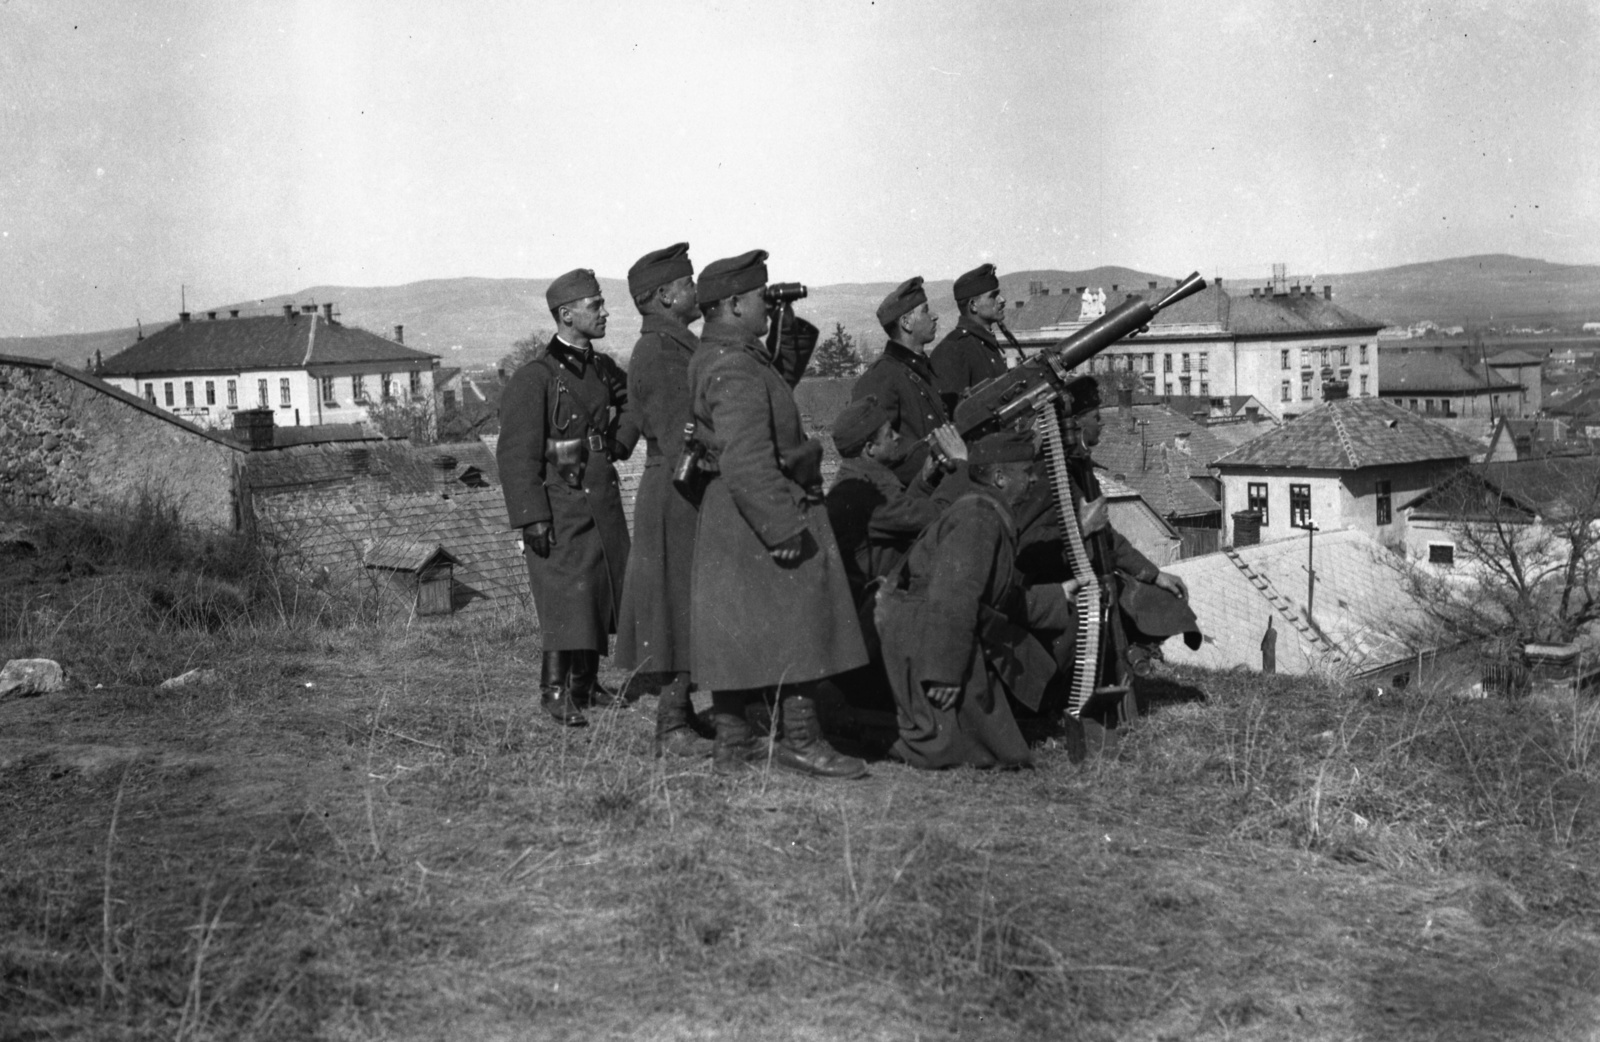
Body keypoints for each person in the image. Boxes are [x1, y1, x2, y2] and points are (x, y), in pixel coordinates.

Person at [686, 249, 869, 778]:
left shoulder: (728, 355)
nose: (768, 307)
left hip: (737, 511)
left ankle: (734, 745)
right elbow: (746, 459)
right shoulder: (735, 367)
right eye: (760, 299)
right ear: (735, 304)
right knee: (800, 623)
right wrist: (782, 525)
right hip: (761, 507)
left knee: (740, 631)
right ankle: (802, 742)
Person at [875, 431, 1081, 769]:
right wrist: (944, 673)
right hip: (925, 636)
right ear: (999, 478)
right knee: (948, 747)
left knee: (987, 742)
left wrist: (1058, 594)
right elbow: (952, 600)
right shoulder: (979, 518)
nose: (1033, 480)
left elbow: (997, 596)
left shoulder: (989, 511)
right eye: (1027, 471)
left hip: (935, 629)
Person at [498, 268, 634, 727]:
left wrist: (619, 441)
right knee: (564, 595)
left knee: (598, 589)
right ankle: (554, 690)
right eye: (596, 305)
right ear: (567, 314)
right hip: (559, 501)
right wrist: (531, 516)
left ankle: (585, 685)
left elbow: (635, 400)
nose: (605, 312)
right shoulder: (534, 377)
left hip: (600, 497)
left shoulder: (601, 367)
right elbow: (516, 455)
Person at [613, 243, 713, 757]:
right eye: (688, 283)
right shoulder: (661, 352)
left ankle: (682, 717)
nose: (696, 290)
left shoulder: (674, 344)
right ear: (664, 296)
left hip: (677, 488)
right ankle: (671, 725)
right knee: (676, 606)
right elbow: (683, 442)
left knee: (685, 603)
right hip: (680, 490)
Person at [852, 276, 949, 480]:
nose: (935, 316)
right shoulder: (883, 376)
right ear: (906, 322)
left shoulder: (922, 369)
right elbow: (872, 453)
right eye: (925, 310)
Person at [929, 262, 1010, 414]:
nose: (1002, 300)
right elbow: (956, 416)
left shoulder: (984, 343)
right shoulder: (953, 349)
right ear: (973, 305)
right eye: (993, 296)